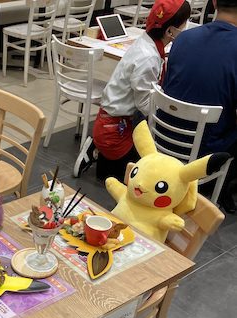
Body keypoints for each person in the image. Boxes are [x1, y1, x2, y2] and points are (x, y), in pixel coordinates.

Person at [92, 0, 191, 181]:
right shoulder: (148, 57)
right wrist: (167, 113)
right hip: (115, 131)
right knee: (150, 173)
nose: (186, 28)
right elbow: (144, 104)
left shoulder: (146, 42)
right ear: (170, 31)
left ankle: (99, 155)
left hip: (112, 121)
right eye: (184, 24)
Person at [163, 0, 237, 213]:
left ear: (213, 3)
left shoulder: (183, 38)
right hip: (206, 151)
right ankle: (222, 191)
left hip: (163, 137)